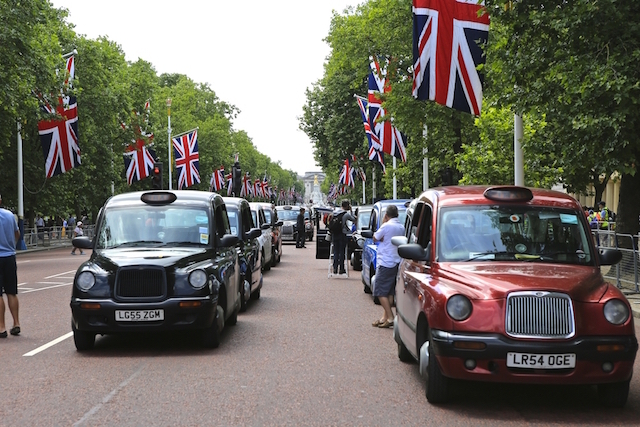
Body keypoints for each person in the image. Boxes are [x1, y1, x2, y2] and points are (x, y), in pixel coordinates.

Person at [371, 204, 405, 329]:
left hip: (386, 261)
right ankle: (384, 317)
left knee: (379, 291)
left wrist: (383, 222)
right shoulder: (401, 227)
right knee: (389, 292)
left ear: (386, 215)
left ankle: (390, 317)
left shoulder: (386, 226)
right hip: (396, 261)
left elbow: (375, 238)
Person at [0, 194, 21, 337]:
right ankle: (16, 322)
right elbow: (17, 234)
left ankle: (1, 327)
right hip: (9, 257)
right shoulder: (9, 215)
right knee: (11, 292)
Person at [332, 200, 356, 274]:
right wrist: (351, 211)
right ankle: (341, 268)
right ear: (347, 206)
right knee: (342, 252)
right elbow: (354, 219)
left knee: (336, 251)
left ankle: (335, 268)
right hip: (342, 234)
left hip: (334, 234)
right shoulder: (345, 214)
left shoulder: (335, 212)